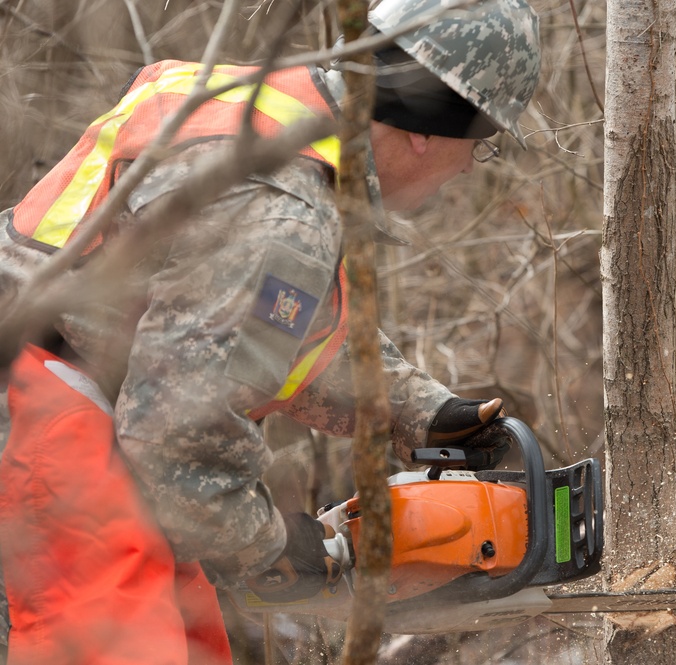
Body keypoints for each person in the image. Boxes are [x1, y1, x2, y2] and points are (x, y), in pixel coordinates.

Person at [0, 0, 541, 661]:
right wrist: (275, 548)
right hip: (47, 410)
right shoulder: (281, 213)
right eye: (476, 144)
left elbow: (256, 328)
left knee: (192, 638)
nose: (466, 167)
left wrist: (417, 410)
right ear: (431, 127)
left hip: (78, 383)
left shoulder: (275, 115)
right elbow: (174, 444)